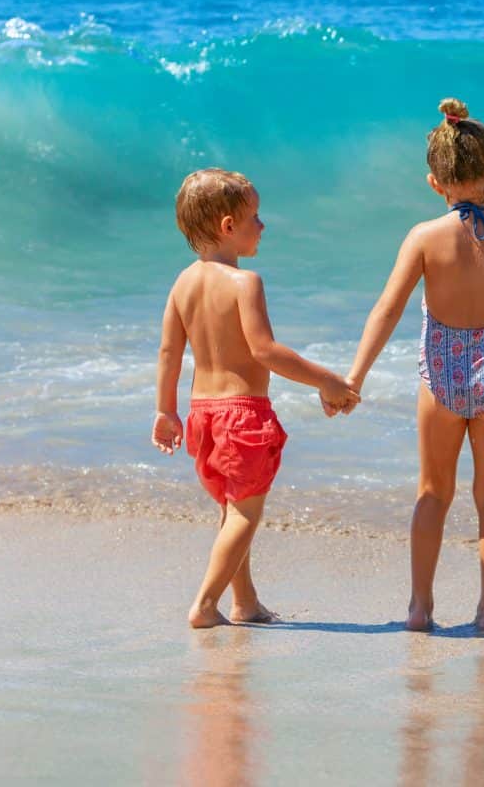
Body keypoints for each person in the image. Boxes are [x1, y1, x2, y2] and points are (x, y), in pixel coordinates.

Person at [347, 99, 484, 632]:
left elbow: (388, 309)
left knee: (431, 493)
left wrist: (354, 377)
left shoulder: (423, 237)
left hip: (439, 377)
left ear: (433, 182)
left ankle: (420, 607)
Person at [152, 168, 360, 629]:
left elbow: (169, 352)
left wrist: (165, 410)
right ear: (229, 226)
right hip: (241, 415)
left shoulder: (182, 284)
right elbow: (264, 351)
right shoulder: (246, 284)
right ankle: (206, 604)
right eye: (255, 218)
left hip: (202, 417)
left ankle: (245, 601)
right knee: (245, 517)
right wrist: (326, 380)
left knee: (231, 512)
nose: (262, 226)